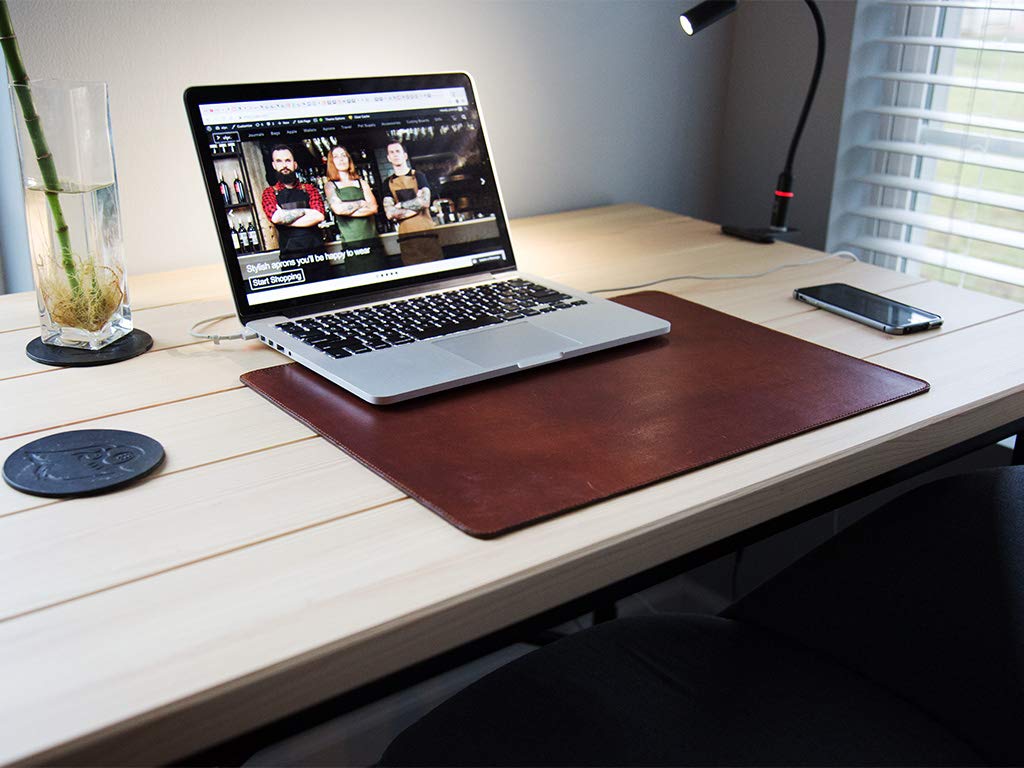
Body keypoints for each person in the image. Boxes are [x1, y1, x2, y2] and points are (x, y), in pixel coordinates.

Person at [323, 146, 385, 275]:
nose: (341, 159)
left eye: (343, 155)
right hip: (352, 247)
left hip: (373, 243)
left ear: (349, 159)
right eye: (336, 156)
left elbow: (373, 208)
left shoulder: (362, 183)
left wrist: (349, 209)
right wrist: (361, 203)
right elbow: (338, 209)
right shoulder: (330, 185)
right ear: (331, 162)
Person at [381, 140, 443, 265]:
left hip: (427, 233)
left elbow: (425, 202)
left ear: (405, 155)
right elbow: (389, 213)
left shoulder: (419, 176)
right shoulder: (387, 183)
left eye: (398, 151)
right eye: (391, 152)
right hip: (406, 236)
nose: (395, 154)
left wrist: (400, 205)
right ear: (388, 158)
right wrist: (416, 205)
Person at [259, 145, 325, 259]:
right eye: (279, 161)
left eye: (288, 161)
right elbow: (276, 218)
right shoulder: (269, 193)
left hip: (317, 255)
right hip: (290, 257)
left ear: (295, 164)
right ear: (274, 165)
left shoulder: (309, 189)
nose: (284, 165)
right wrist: (307, 212)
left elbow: (319, 216)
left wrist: (285, 219)